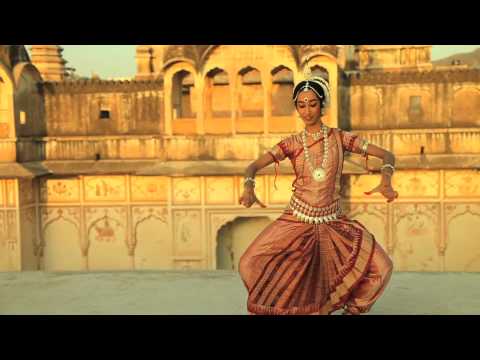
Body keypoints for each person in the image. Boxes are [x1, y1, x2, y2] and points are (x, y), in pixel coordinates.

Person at [238, 74, 397, 315]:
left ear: (322, 105)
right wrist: (249, 186)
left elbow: (387, 155)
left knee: (382, 268)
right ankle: (291, 307)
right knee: (248, 263)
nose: (307, 110)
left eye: (313, 103)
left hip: (333, 222)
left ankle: (351, 311)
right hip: (297, 219)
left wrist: (385, 180)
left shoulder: (340, 138)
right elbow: (252, 166)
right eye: (301, 105)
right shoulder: (291, 144)